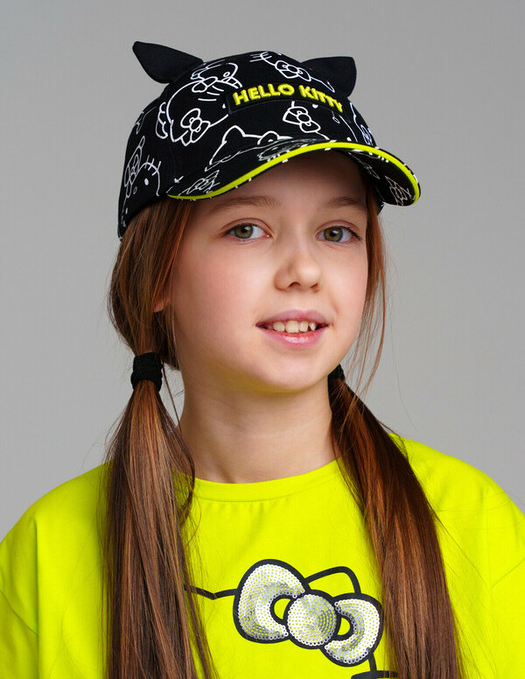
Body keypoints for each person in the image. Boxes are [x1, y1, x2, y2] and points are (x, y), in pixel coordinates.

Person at [0, 42, 523, 679]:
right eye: (246, 228)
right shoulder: (48, 551)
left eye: (337, 232)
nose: (305, 269)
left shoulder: (471, 524)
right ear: (156, 273)